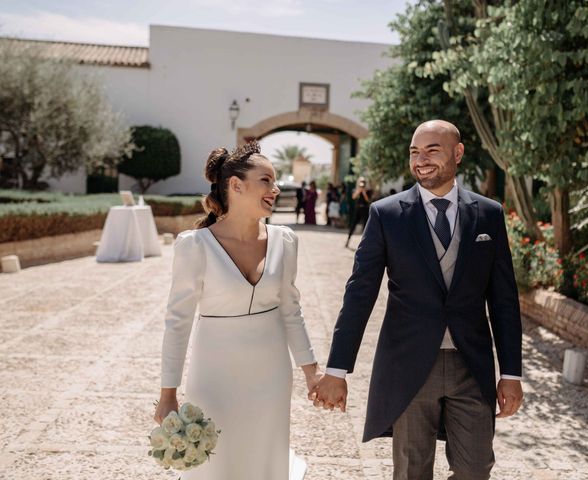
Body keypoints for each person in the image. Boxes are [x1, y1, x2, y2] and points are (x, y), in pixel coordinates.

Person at [313, 120, 523, 480]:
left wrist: (511, 372)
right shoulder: (387, 214)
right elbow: (360, 293)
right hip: (409, 366)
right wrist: (336, 370)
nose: (421, 160)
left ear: (457, 153)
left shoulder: (489, 213)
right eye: (415, 152)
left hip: (470, 365)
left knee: (476, 470)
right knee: (412, 471)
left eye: (432, 150)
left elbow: (503, 300)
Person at [154, 141, 323, 479]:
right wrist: (167, 394)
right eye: (266, 180)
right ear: (235, 185)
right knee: (215, 464)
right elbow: (177, 323)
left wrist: (311, 372)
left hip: (271, 376)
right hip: (213, 377)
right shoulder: (194, 246)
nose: (275, 189)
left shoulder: (286, 241)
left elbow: (291, 310)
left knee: (264, 459)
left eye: (274, 181)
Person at [345, 177, 371, 248]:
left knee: (365, 226)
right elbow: (353, 197)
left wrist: (364, 192)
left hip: (365, 209)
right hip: (358, 209)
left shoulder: (368, 191)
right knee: (353, 225)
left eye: (363, 182)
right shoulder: (356, 190)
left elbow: (368, 200)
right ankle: (348, 240)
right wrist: (359, 191)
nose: (362, 184)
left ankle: (365, 244)